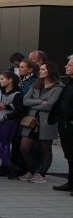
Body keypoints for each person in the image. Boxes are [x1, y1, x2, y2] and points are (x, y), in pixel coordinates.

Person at [17, 62, 64, 184]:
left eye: (43, 69)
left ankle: (41, 174)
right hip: (31, 121)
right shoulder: (36, 84)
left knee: (45, 149)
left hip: (47, 122)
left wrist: (38, 103)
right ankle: (31, 170)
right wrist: (41, 101)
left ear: (50, 71)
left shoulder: (58, 87)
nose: (41, 71)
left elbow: (50, 106)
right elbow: (25, 101)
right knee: (24, 148)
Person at [0, 70, 23, 178]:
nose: (0, 81)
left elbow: (18, 110)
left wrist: (6, 111)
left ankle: (5, 167)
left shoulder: (17, 94)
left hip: (8, 121)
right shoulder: (0, 92)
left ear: (10, 80)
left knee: (5, 144)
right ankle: (10, 166)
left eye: (2, 79)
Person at [53, 55, 73, 193]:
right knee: (69, 155)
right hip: (65, 124)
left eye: (69, 65)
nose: (66, 66)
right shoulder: (69, 83)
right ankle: (71, 182)